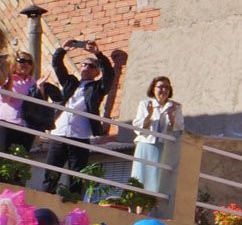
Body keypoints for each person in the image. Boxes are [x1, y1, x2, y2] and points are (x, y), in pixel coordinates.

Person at [40, 40, 114, 200]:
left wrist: (98, 54)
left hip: (80, 136)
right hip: (59, 132)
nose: (86, 68)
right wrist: (63, 50)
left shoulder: (98, 88)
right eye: (84, 64)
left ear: (97, 72)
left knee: (76, 176)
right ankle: (45, 200)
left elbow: (109, 75)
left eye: (91, 66)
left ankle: (73, 208)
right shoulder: (70, 82)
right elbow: (57, 66)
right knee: (51, 171)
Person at [128, 74, 183, 194]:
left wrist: (171, 115)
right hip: (146, 144)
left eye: (167, 87)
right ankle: (135, 206)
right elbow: (138, 127)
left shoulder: (175, 106)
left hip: (164, 147)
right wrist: (149, 114)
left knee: (157, 180)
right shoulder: (145, 104)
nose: (164, 90)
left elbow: (179, 129)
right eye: (161, 87)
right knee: (140, 177)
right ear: (153, 88)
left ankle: (151, 209)